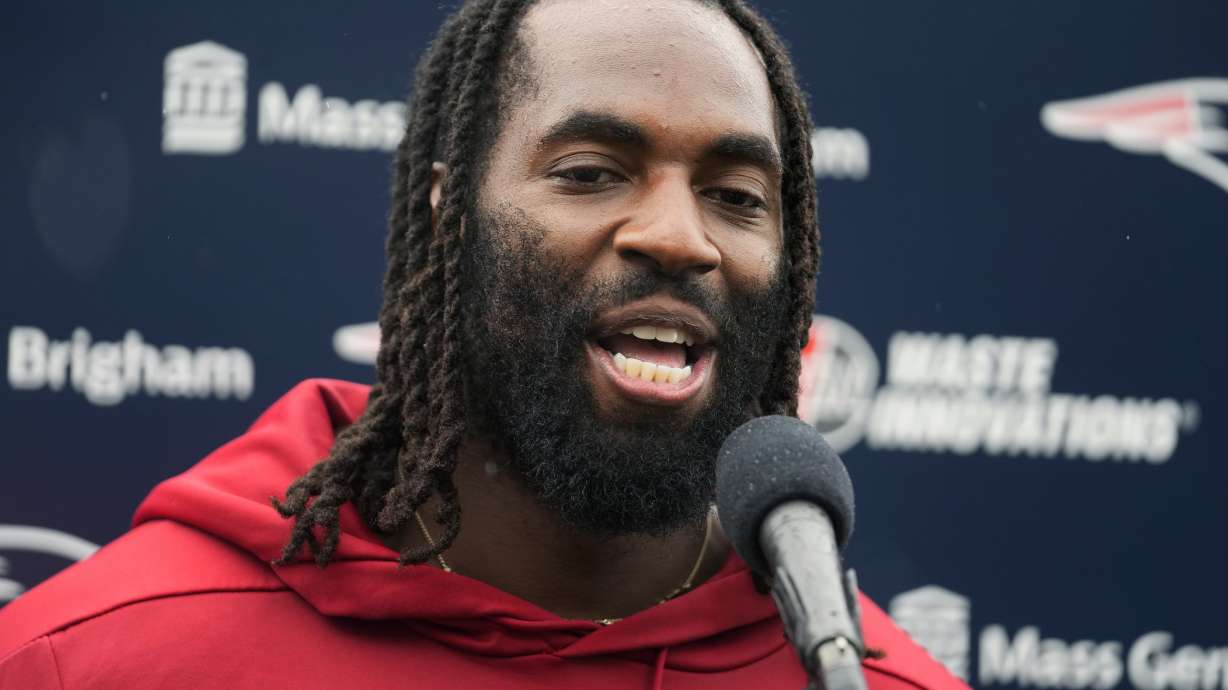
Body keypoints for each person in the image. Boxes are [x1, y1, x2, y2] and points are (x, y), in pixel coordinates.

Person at [0, 1, 967, 688]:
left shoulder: (860, 678)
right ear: (449, 215)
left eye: (737, 197)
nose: (679, 236)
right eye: (592, 172)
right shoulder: (92, 660)